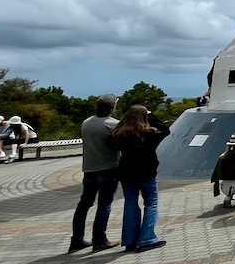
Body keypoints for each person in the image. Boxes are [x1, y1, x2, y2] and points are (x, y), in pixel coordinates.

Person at [112, 105, 170, 253]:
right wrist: (150, 115)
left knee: (130, 204)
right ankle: (147, 238)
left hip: (126, 172)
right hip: (146, 172)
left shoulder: (120, 133)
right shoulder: (149, 134)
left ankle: (130, 240)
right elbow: (165, 128)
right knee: (151, 204)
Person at [69, 94, 120, 253]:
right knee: (104, 204)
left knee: (84, 204)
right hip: (108, 169)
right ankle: (99, 239)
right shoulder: (113, 125)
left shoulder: (86, 123)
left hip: (89, 170)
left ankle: (76, 239)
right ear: (112, 107)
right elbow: (117, 145)